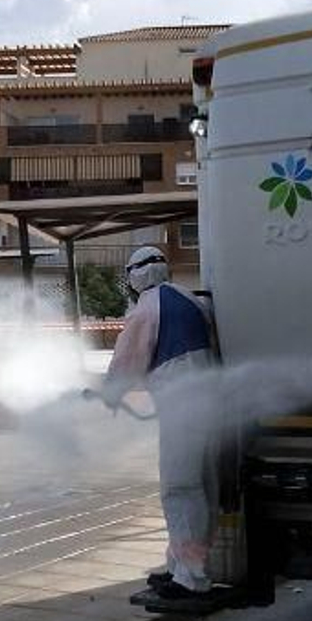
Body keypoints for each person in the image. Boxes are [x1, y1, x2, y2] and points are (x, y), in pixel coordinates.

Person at [101, 245, 219, 600]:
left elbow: (127, 361)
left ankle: (191, 578)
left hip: (182, 407)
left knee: (179, 488)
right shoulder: (191, 298)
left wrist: (110, 393)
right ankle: (180, 567)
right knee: (203, 487)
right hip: (212, 402)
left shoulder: (146, 309)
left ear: (135, 275)